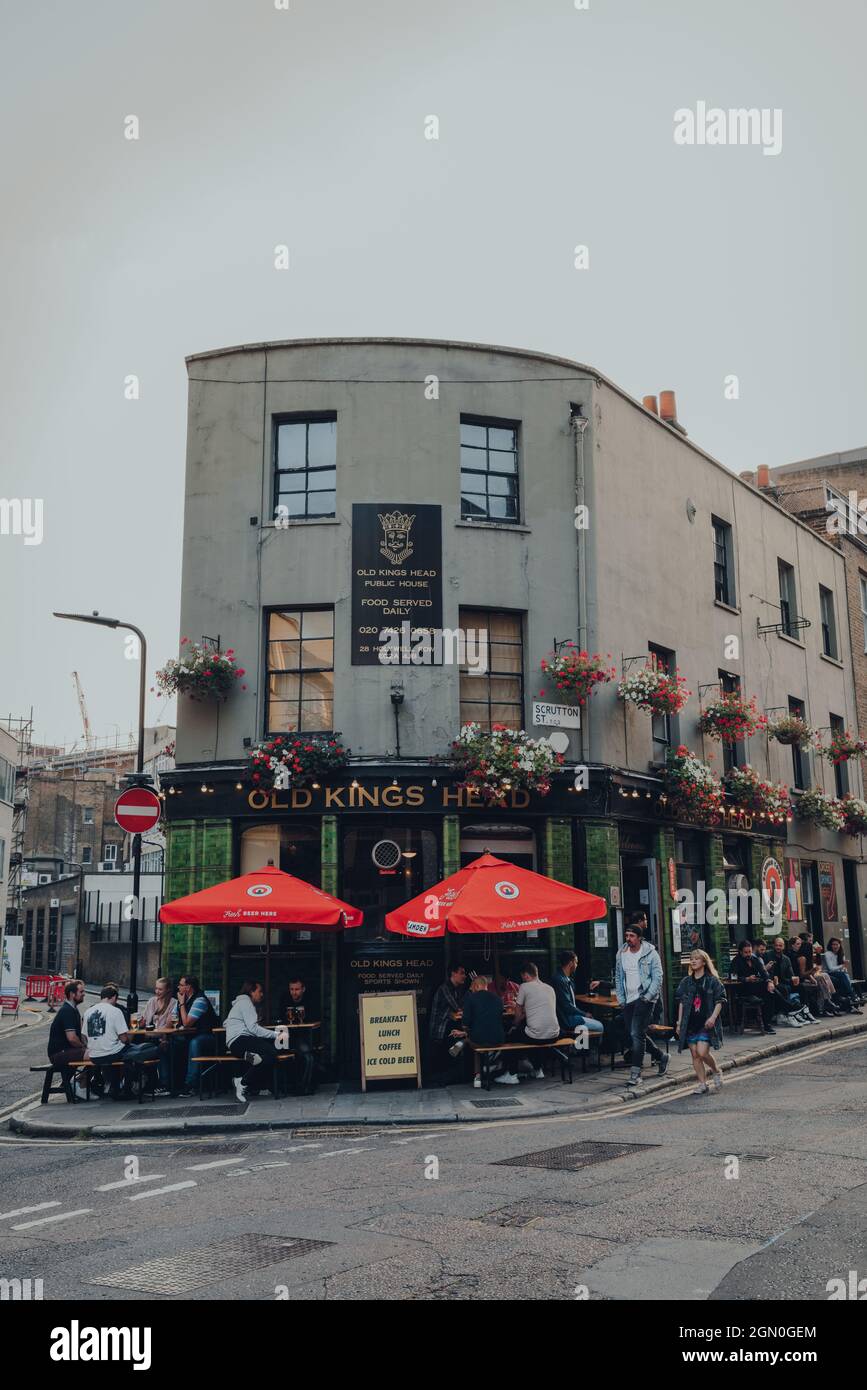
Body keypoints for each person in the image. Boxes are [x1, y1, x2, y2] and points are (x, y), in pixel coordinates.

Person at [614, 914, 668, 1090]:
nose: (628, 939)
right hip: (628, 1000)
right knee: (636, 1034)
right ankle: (661, 1056)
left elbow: (658, 977)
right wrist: (621, 999)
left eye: (631, 936)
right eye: (627, 935)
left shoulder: (651, 953)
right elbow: (619, 977)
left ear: (639, 938)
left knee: (636, 1035)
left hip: (645, 999)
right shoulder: (621, 954)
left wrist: (648, 996)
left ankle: (635, 1074)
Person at [83, 984, 160, 1099]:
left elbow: (84, 1037)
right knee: (149, 1049)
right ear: (114, 997)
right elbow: (125, 1040)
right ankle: (130, 1087)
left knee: (131, 1051)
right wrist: (134, 1030)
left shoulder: (88, 1012)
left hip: (94, 1056)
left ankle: (116, 1087)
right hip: (112, 1054)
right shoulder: (116, 1011)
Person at [675, 950, 726, 1094]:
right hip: (690, 1023)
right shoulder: (686, 982)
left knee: (702, 1052)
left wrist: (713, 1018)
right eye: (691, 959)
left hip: (706, 1023)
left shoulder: (712, 981)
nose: (693, 961)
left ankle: (716, 1071)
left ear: (704, 962)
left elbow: (720, 1000)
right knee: (695, 1055)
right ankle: (702, 1084)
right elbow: (681, 1003)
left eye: (697, 959)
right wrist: (679, 1023)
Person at [224, 981, 282, 1102]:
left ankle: (250, 1084)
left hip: (235, 1046)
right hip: (241, 1040)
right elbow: (254, 1029)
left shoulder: (239, 1004)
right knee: (272, 1053)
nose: (262, 995)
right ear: (251, 992)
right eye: (259, 991)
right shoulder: (246, 1003)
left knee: (259, 1059)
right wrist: (276, 1034)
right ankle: (243, 1082)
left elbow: (226, 1022)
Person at [453, 975, 508, 1087]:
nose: (471, 990)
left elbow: (465, 1023)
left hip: (479, 1038)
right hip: (498, 1038)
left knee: (476, 1046)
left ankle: (477, 1077)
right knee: (479, 1037)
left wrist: (466, 1031)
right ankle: (493, 1064)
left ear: (477, 986)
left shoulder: (471, 999)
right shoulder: (498, 999)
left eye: (472, 988)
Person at [510, 962, 560, 1079]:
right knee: (533, 1031)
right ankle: (538, 1070)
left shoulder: (524, 986)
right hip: (554, 1034)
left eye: (523, 977)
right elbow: (537, 1011)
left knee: (512, 1037)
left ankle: (511, 1074)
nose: (523, 979)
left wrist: (514, 1024)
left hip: (536, 1036)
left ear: (526, 975)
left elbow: (518, 1013)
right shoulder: (550, 988)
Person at [552, 949, 604, 1051]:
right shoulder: (560, 980)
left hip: (569, 1017)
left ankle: (580, 1050)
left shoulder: (564, 979)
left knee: (584, 1027)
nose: (576, 965)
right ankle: (594, 1054)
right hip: (567, 1019)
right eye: (576, 962)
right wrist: (584, 1014)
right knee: (600, 1026)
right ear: (571, 963)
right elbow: (567, 1006)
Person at [137, 977, 178, 1092]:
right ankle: (146, 1082)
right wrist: (140, 1022)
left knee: (161, 1048)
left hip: (164, 1037)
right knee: (136, 1049)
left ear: (168, 990)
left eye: (160, 989)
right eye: (156, 989)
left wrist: (162, 1038)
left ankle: (164, 1084)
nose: (157, 991)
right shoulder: (151, 1001)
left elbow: (168, 1026)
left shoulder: (174, 1003)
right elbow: (144, 1021)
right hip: (149, 1037)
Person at [277, 976, 316, 1095]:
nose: (294, 992)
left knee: (307, 1056)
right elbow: (280, 1019)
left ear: (303, 989)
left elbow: (314, 1019)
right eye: (292, 989)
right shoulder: (284, 999)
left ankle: (304, 1088)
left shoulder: (310, 1000)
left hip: (304, 1035)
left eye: (297, 989)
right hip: (287, 1035)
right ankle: (287, 1086)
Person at [428, 964, 468, 1081]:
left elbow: (460, 1009)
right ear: (453, 974)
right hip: (440, 1028)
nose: (464, 976)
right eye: (462, 973)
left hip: (447, 1026)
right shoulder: (445, 988)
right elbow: (458, 1008)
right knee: (460, 1039)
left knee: (460, 1038)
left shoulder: (455, 989)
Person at [47, 979, 87, 1095]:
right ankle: (80, 1085)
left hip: (66, 1051)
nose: (84, 994)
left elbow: (80, 1035)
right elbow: (72, 1039)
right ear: (72, 994)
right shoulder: (67, 1011)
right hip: (59, 1053)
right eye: (81, 991)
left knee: (97, 1053)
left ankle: (73, 1082)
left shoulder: (73, 1010)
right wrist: (84, 1047)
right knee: (97, 1054)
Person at [765, 937, 815, 1026]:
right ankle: (789, 1014)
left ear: (783, 946)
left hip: (784, 981)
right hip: (772, 982)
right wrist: (771, 978)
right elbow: (763, 971)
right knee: (784, 988)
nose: (778, 947)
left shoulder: (786, 959)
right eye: (776, 945)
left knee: (801, 987)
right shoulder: (768, 955)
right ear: (773, 946)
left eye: (780, 945)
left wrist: (794, 979)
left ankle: (804, 1011)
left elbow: (791, 974)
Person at [730, 940, 776, 1033]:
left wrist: (769, 981)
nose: (748, 954)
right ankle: (791, 1009)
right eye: (746, 952)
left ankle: (767, 1023)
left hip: (755, 987)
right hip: (743, 989)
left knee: (771, 992)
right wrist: (746, 979)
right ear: (740, 952)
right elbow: (732, 977)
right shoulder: (736, 961)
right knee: (768, 992)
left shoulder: (754, 959)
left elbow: (763, 972)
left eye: (750, 952)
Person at [822, 939, 862, 1012]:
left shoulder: (841, 954)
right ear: (830, 946)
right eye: (833, 944)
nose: (835, 946)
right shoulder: (828, 954)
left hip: (839, 974)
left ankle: (847, 1002)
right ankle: (852, 995)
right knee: (843, 976)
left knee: (845, 977)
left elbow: (843, 969)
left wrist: (844, 968)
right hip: (829, 973)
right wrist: (842, 966)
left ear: (840, 945)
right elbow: (830, 968)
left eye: (837, 944)